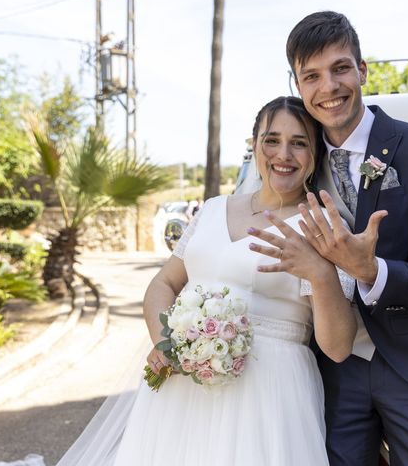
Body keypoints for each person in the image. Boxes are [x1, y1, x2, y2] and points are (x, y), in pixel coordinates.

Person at [56, 96, 357, 466]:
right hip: (183, 386)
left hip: (269, 395)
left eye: (299, 143)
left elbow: (339, 347)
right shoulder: (213, 209)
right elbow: (163, 284)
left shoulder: (322, 225)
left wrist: (318, 271)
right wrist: (166, 342)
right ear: (254, 145)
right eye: (272, 139)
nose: (284, 154)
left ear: (315, 154)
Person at [258, 11, 408, 466]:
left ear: (362, 70)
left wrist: (371, 271)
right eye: (312, 76)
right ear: (298, 85)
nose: (329, 87)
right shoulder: (301, 158)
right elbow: (262, 214)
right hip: (335, 370)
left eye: (340, 68)